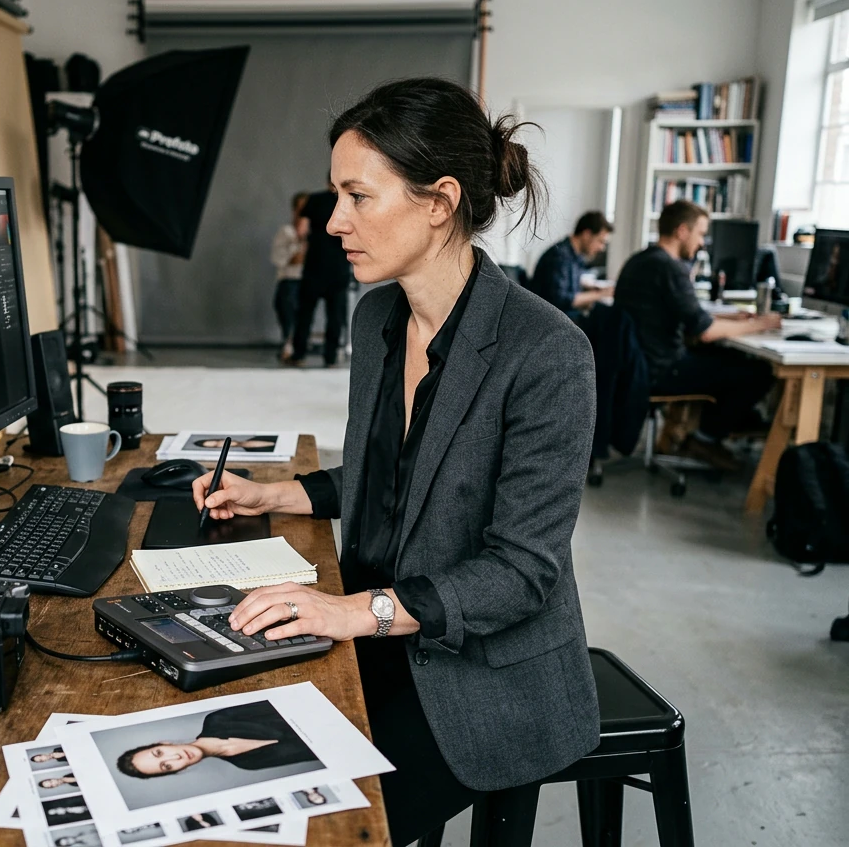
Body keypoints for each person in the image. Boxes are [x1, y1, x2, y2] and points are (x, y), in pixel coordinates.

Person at [189, 77, 600, 847]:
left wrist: (353, 611)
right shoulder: (378, 316)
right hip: (380, 636)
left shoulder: (546, 352)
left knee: (310, 825)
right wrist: (274, 496)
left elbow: (522, 571)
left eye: (357, 197)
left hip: (477, 677)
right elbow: (401, 477)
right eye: (334, 196)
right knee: (209, 748)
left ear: (439, 202)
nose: (333, 221)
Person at [614, 200, 778, 468]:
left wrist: (732, 318)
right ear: (682, 231)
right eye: (700, 234)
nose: (702, 243)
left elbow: (689, 314)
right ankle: (705, 438)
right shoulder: (671, 268)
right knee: (757, 372)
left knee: (731, 359)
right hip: (663, 369)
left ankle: (718, 428)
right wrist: (761, 324)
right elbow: (705, 332)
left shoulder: (640, 260)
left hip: (639, 364)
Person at [116, 701, 316, 778]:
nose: (175, 758)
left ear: (164, 743)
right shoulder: (248, 765)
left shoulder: (219, 719)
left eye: (159, 753)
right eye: (166, 766)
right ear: (177, 770)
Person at [290, 182, 352, 367]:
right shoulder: (349, 202)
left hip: (315, 265)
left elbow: (301, 230)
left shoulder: (314, 200)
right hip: (339, 267)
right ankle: (330, 358)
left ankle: (298, 355)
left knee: (305, 313)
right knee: (335, 316)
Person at [529, 210, 614, 321]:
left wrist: (591, 288)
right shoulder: (559, 256)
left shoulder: (573, 256)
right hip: (552, 321)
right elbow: (560, 300)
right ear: (587, 235)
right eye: (600, 241)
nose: (602, 248)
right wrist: (600, 294)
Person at [271, 193, 309, 361]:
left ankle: (294, 343)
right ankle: (289, 341)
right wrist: (299, 242)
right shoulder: (286, 232)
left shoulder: (318, 234)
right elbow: (281, 260)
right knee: (285, 301)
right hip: (289, 280)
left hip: (308, 281)